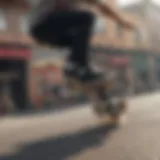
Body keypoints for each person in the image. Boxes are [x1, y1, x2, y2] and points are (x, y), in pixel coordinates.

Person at [29, 0, 134, 83]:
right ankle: (77, 67)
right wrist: (121, 21)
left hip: (43, 33)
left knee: (78, 41)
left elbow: (101, 6)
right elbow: (101, 7)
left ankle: (74, 68)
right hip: (44, 23)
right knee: (87, 18)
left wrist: (121, 21)